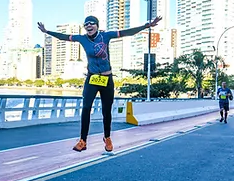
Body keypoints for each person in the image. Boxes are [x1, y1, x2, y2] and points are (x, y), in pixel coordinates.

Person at [38, 15, 162, 152]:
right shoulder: (82, 39)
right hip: (92, 78)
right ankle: (83, 140)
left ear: (97, 25)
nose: (88, 26)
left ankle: (107, 137)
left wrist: (146, 26)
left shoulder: (105, 36)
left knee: (106, 110)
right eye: (86, 24)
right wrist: (47, 31)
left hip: (106, 79)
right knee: (86, 108)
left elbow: (127, 32)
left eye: (92, 23)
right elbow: (64, 37)